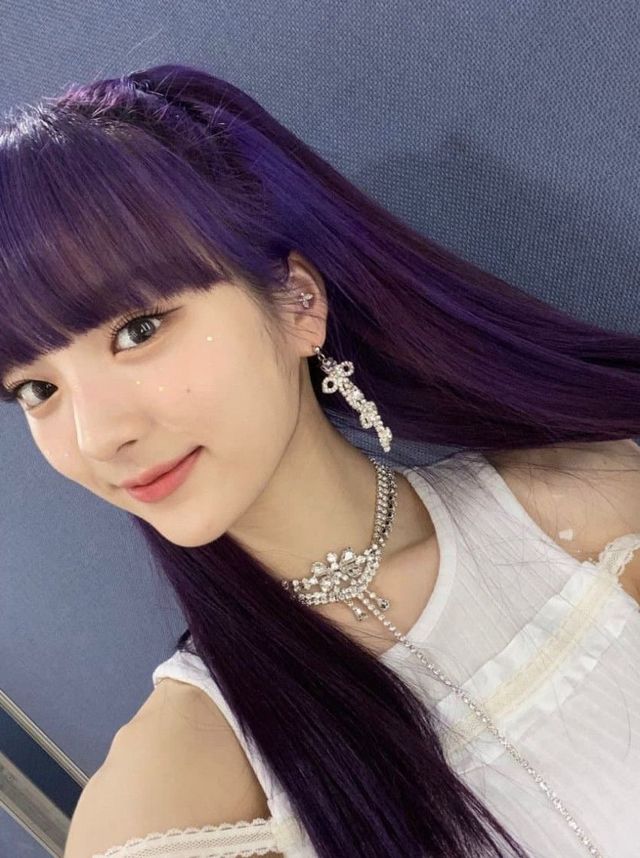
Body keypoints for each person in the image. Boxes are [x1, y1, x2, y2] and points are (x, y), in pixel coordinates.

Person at [1, 63, 639, 858]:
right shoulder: (168, 798)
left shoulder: (597, 513)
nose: (97, 436)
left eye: (137, 330)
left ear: (298, 302)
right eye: (35, 389)